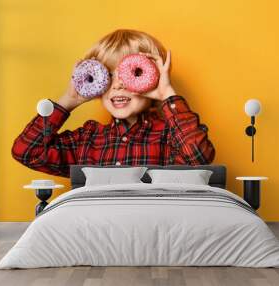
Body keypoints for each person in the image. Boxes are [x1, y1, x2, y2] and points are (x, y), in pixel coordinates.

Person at [11, 29, 215, 178]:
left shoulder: (170, 136)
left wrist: (166, 93)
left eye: (133, 73)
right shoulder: (88, 139)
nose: (117, 85)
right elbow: (27, 152)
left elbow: (197, 157)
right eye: (107, 75)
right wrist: (69, 100)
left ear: (154, 76)